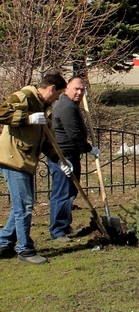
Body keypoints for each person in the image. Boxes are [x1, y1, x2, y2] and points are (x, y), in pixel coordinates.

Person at [0, 70, 68, 264]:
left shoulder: (44, 107)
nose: (57, 100)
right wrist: (27, 118)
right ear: (52, 88)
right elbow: (2, 113)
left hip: (25, 159)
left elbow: (46, 141)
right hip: (13, 158)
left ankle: (4, 243)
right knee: (25, 205)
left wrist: (60, 160)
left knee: (20, 205)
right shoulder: (25, 96)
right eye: (58, 94)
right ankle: (25, 249)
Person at [45, 77, 100, 243]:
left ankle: (64, 225)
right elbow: (74, 135)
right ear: (67, 88)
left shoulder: (71, 105)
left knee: (70, 192)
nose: (79, 92)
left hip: (70, 154)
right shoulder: (66, 107)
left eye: (82, 90)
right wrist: (90, 149)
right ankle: (57, 231)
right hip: (63, 157)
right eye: (76, 89)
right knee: (62, 193)